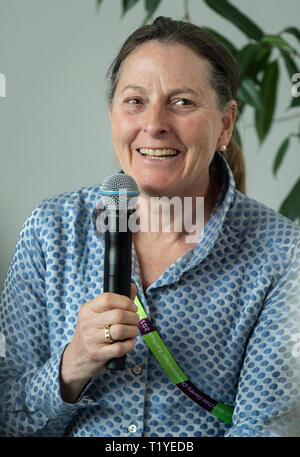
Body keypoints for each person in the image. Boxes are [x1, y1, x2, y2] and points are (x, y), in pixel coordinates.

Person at [0, 16, 300, 438]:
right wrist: (71, 367)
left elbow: (265, 429)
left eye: (182, 102)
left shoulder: (282, 253)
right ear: (112, 117)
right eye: (135, 101)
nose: (155, 123)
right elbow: (6, 418)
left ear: (226, 125)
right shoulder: (51, 231)